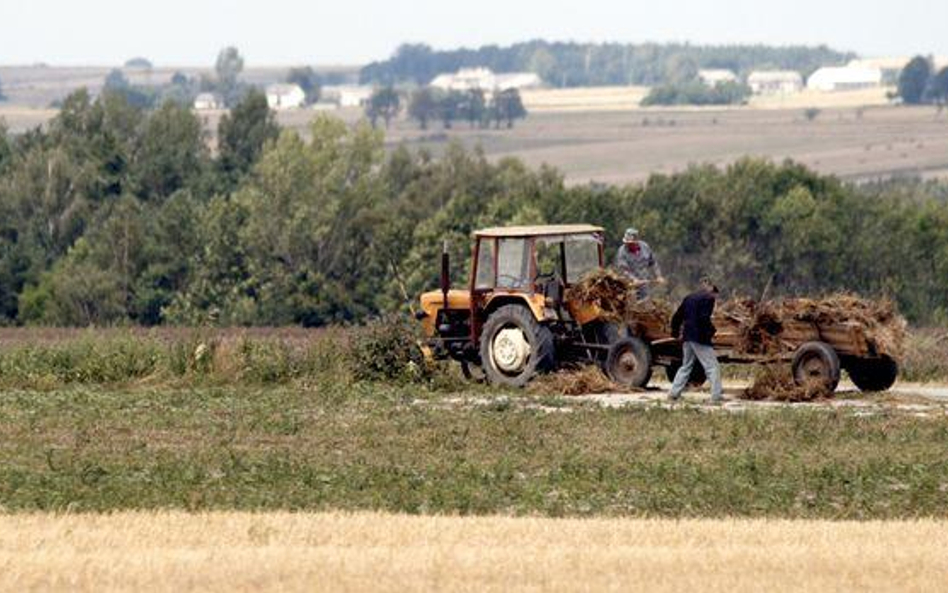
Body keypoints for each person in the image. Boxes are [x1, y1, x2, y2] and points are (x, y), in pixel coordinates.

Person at [669, 277, 724, 403]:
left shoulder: (689, 297)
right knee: (712, 367)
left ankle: (673, 394)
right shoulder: (709, 298)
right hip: (699, 338)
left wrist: (675, 332)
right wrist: (712, 331)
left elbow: (677, 316)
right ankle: (716, 397)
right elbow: (704, 318)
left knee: (686, 366)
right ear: (713, 291)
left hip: (687, 337)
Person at [615, 227, 666, 300]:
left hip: (645, 285)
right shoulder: (622, 252)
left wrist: (658, 276)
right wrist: (634, 279)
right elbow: (623, 270)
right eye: (627, 243)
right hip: (629, 286)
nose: (628, 245)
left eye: (631, 243)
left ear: (636, 241)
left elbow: (653, 262)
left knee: (645, 304)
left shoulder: (645, 247)